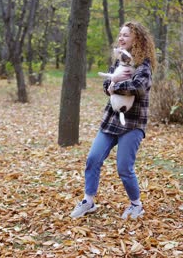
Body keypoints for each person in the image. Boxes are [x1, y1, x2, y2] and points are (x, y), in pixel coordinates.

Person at [70, 21, 157, 219]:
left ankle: (136, 205)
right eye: (120, 35)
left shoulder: (143, 66)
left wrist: (114, 86)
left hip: (133, 123)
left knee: (124, 167)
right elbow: (106, 84)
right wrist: (111, 84)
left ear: (137, 39)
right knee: (93, 159)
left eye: (126, 35)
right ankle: (88, 201)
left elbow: (138, 88)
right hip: (111, 120)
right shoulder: (119, 62)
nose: (121, 38)